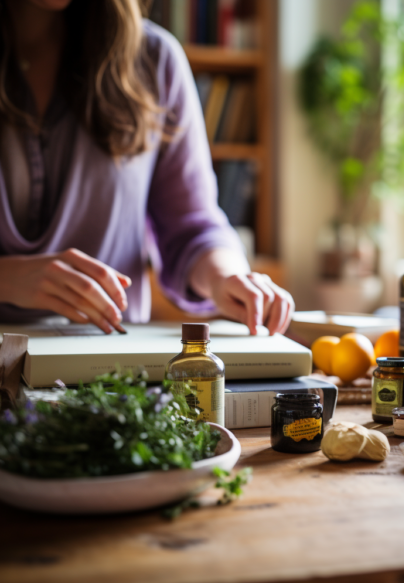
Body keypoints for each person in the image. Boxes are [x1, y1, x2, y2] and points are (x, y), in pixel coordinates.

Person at [0, 0, 294, 335]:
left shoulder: (155, 60)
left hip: (106, 366)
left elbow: (192, 230)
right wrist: (7, 279)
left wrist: (227, 277)